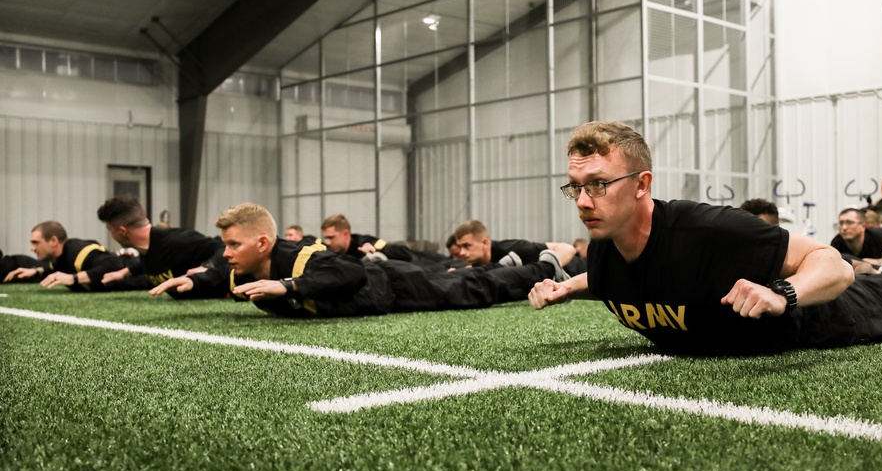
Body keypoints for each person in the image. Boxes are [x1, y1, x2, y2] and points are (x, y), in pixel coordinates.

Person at [528, 121, 882, 355]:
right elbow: (610, 280)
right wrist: (565, 287)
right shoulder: (606, 247)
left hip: (820, 321)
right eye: (576, 187)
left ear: (642, 184)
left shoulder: (709, 230)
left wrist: (784, 293)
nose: (583, 201)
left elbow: (833, 264)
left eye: (599, 184)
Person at [152, 203, 569, 318]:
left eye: (232, 245)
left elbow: (348, 270)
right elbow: (222, 274)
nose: (225, 253)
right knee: (458, 276)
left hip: (391, 285)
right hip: (388, 286)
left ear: (263, 243)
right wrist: (196, 282)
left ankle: (543, 267)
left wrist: (289, 287)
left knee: (472, 290)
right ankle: (512, 264)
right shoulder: (247, 266)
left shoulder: (299, 257)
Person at [96, 196, 229, 298]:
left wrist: (207, 266)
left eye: (110, 229)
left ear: (122, 232)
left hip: (225, 296)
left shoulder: (178, 241)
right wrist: (123, 273)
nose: (111, 235)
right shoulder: (146, 248)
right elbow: (151, 258)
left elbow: (223, 247)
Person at [2, 221, 129, 291]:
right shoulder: (60, 258)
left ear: (53, 241)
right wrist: (35, 272)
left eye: (36, 243)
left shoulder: (79, 251)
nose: (32, 248)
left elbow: (114, 264)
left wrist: (73, 278)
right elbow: (56, 269)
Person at [451, 220, 577, 271]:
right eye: (460, 247)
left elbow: (568, 249)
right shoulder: (474, 263)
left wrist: (544, 269)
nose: (461, 253)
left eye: (467, 246)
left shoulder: (515, 250)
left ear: (485, 243)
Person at [830, 207, 882, 273]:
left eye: (849, 223)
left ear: (863, 226)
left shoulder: (881, 238)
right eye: (841, 223)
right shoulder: (836, 243)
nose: (844, 227)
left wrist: (879, 262)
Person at [321, 213, 414, 262]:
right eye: (326, 238)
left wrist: (375, 251)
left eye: (331, 237)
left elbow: (405, 253)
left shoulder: (365, 243)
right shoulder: (327, 250)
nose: (328, 242)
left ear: (345, 234)